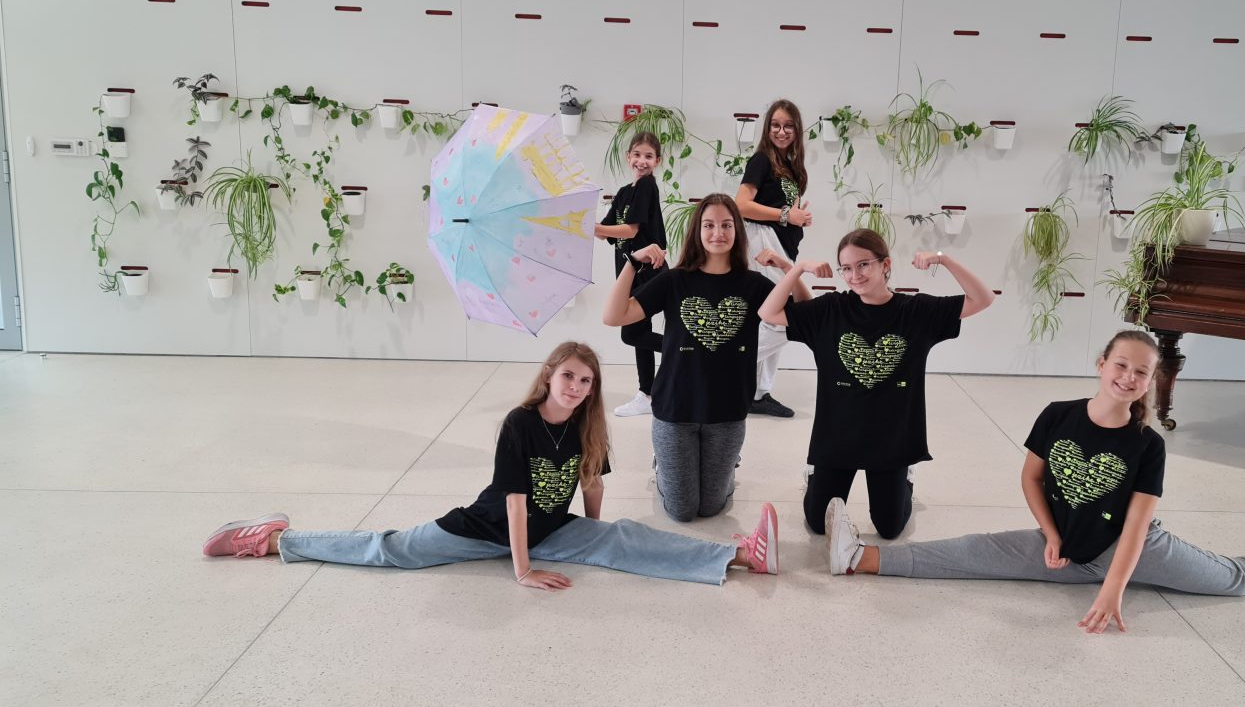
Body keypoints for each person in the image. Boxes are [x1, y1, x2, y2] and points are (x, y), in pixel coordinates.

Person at [823, 330, 1245, 632]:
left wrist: (1112, 589)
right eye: (1121, 365)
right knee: (970, 554)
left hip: (1134, 549)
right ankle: (856, 557)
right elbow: (1031, 478)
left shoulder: (1147, 444)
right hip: (1063, 548)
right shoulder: (1058, 414)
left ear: (1150, 382)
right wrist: (1051, 535)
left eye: (1141, 372)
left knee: (1235, 579)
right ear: (1101, 364)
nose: (1128, 376)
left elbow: (1137, 527)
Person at [201, 342, 780, 587]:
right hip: (482, 528)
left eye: (586, 381)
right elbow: (514, 504)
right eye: (568, 376)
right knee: (390, 550)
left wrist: (595, 534)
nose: (577, 387)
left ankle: (740, 556)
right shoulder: (520, 423)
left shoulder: (589, 425)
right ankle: (272, 539)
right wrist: (522, 570)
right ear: (549, 375)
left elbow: (590, 484)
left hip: (551, 530)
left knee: (625, 537)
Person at [759, 229, 993, 539]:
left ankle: (907, 475)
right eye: (846, 268)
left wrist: (943, 259)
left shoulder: (916, 312)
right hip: (837, 437)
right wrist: (797, 268)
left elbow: (983, 298)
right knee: (817, 523)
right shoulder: (831, 309)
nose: (854, 275)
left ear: (885, 265)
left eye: (863, 265)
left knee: (889, 528)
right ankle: (815, 474)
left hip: (891, 440)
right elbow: (768, 312)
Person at [603, 194, 813, 522]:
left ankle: (729, 464)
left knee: (711, 506)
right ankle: (662, 464)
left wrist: (789, 268)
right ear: (697, 231)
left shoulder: (753, 284)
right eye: (709, 225)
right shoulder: (674, 280)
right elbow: (614, 316)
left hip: (727, 411)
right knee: (682, 510)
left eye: (726, 225)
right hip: (675, 410)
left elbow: (806, 316)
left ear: (737, 231)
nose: (718, 233)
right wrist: (632, 262)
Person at [735, 99, 811, 418]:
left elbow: (787, 210)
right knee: (781, 314)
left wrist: (797, 218)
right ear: (767, 128)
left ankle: (758, 393)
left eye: (788, 126)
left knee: (770, 316)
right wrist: (785, 215)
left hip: (782, 246)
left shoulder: (791, 166)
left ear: (797, 130)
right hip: (763, 242)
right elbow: (741, 204)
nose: (781, 131)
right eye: (775, 125)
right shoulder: (761, 160)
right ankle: (727, 364)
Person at [594, 133, 667, 418]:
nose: (642, 161)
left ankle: (683, 350)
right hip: (630, 274)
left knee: (632, 333)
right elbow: (606, 233)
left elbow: (630, 230)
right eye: (637, 155)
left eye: (648, 156)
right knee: (639, 333)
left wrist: (595, 228)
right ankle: (646, 394)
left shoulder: (647, 186)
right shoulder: (625, 192)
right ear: (628, 157)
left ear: (657, 161)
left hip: (649, 273)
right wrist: (584, 223)